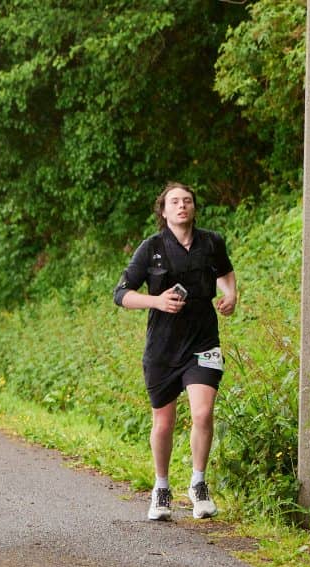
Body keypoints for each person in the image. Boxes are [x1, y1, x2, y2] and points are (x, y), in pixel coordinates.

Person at [113, 182, 237, 521]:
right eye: (174, 202)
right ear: (163, 211)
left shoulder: (212, 242)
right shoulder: (150, 248)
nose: (182, 206)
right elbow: (121, 294)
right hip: (163, 348)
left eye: (187, 201)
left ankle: (198, 484)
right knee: (164, 422)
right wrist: (156, 301)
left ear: (194, 208)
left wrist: (231, 295)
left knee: (202, 413)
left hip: (203, 342)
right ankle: (162, 488)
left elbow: (226, 273)